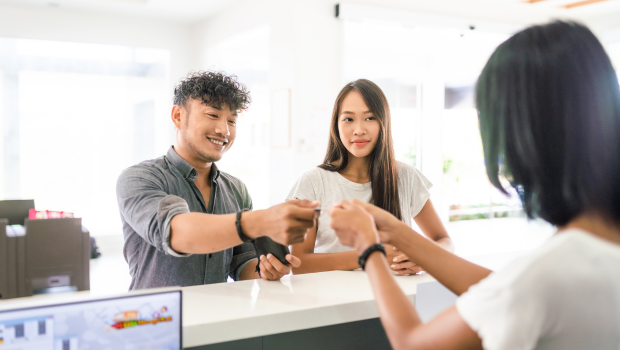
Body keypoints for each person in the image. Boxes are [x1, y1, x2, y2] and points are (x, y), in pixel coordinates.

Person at [328, 21, 620, 350]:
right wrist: (399, 233)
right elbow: (499, 287)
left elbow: (412, 343)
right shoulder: (580, 261)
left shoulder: (542, 278)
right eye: (348, 118)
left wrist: (370, 249)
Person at [116, 71, 317, 290]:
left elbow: (243, 264)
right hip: (159, 318)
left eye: (232, 120)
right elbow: (178, 233)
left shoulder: (236, 189)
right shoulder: (140, 178)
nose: (224, 130)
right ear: (178, 116)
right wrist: (260, 221)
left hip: (217, 319)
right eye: (213, 115)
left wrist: (266, 270)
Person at [288, 79, 453, 275]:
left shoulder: (406, 176)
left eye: (370, 118)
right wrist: (371, 254)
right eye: (348, 119)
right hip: (334, 302)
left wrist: (423, 259)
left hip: (397, 301)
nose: (359, 130)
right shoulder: (313, 182)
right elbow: (299, 265)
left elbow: (445, 241)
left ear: (384, 122)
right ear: (336, 125)